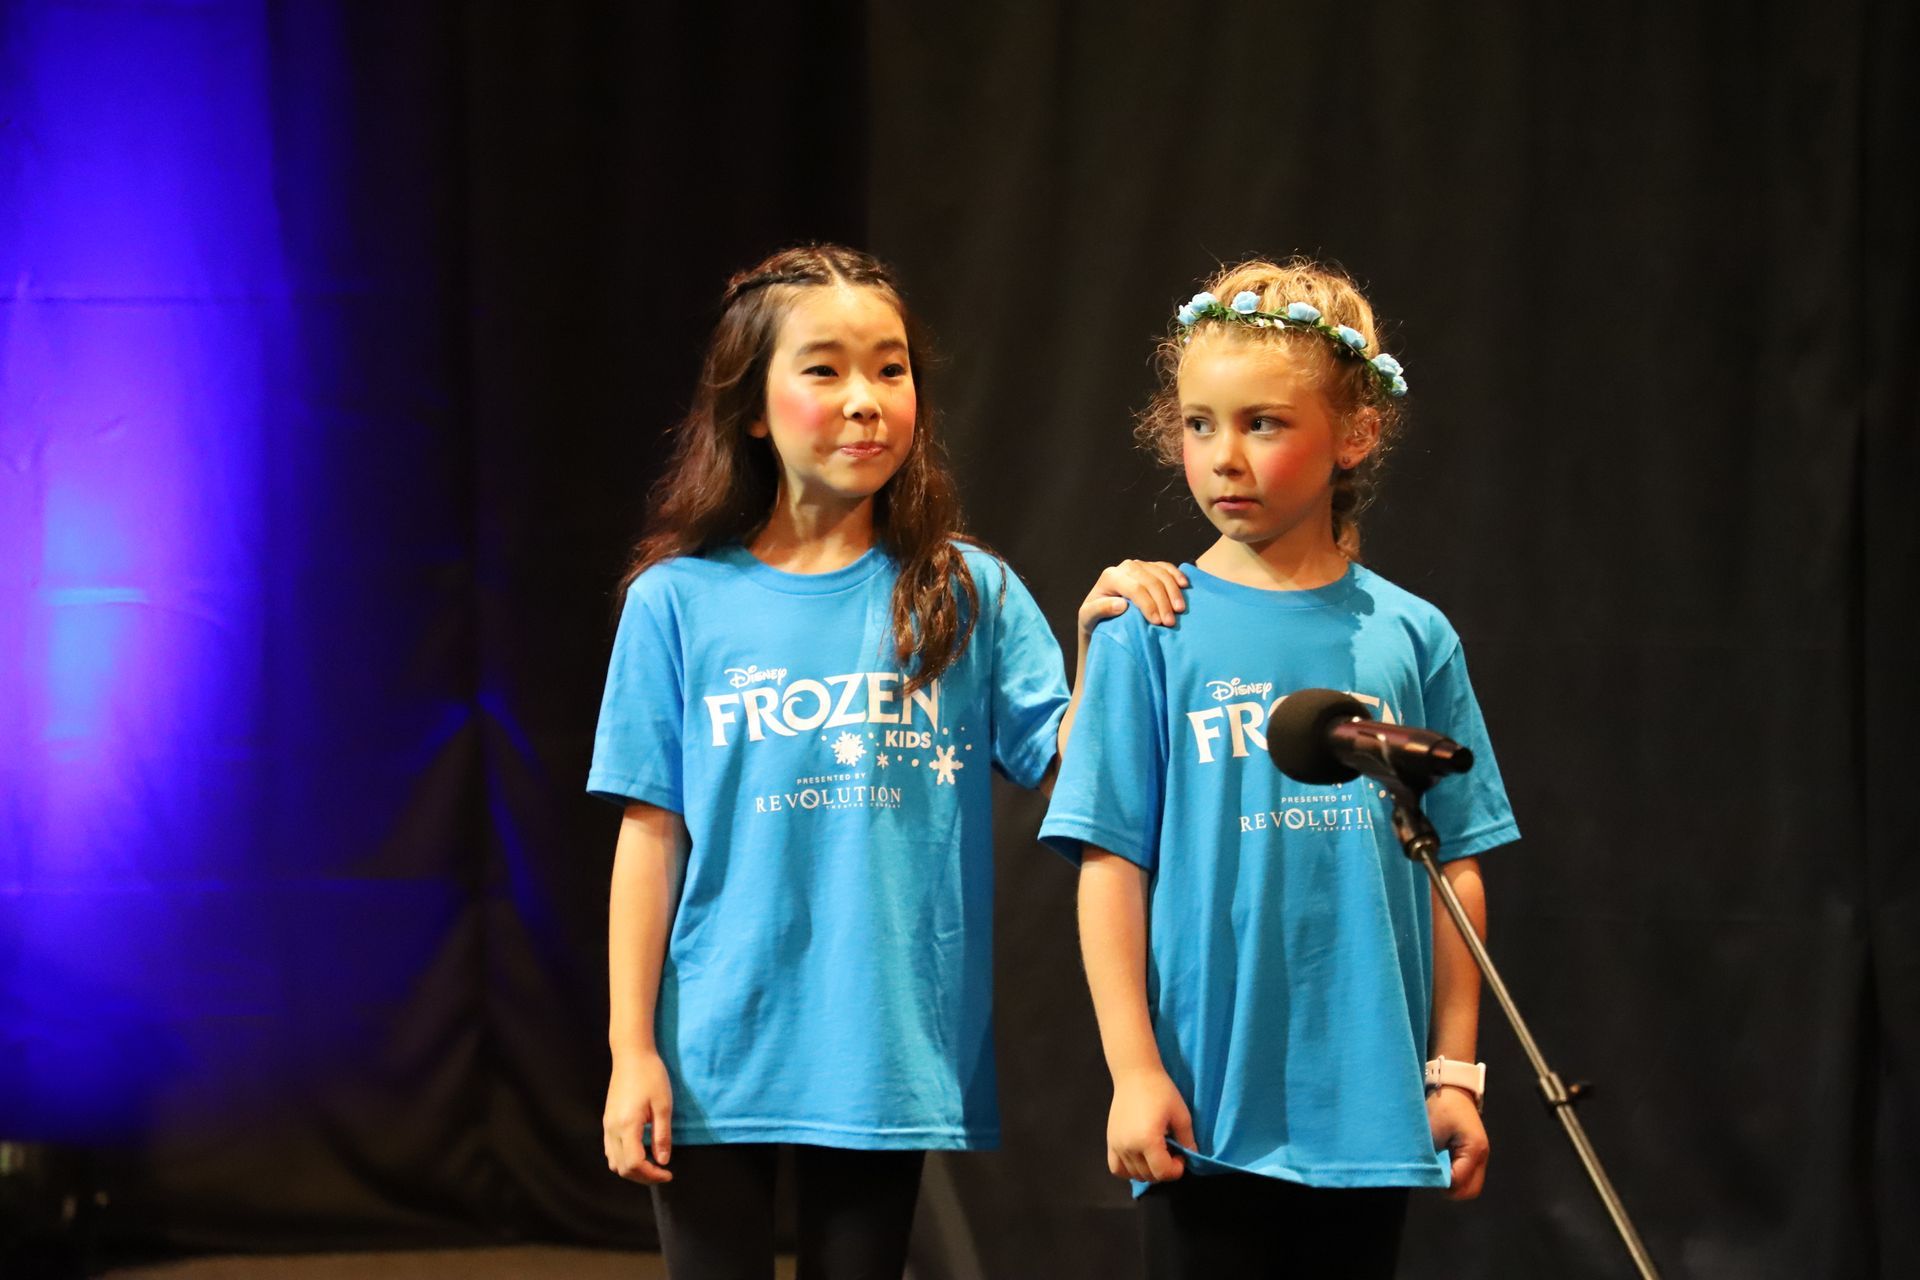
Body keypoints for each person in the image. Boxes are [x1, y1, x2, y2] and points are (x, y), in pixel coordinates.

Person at [587, 243, 1181, 1278]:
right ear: (754, 408)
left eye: (891, 368)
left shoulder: (967, 590)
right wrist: (631, 1048)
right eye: (824, 369)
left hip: (887, 1048)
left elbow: (1075, 775)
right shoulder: (675, 602)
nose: (865, 400)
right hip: (714, 1048)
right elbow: (650, 834)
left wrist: (1098, 641)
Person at [1040, 258, 1520, 1278]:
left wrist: (1454, 1071)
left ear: (1355, 433)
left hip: (1370, 1102)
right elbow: (1109, 866)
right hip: (1208, 1107)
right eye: (1200, 423)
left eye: (1263, 423)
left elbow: (1459, 866)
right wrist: (1133, 1070)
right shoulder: (1148, 629)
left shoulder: (1410, 633)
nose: (1224, 457)